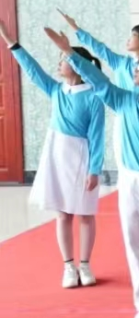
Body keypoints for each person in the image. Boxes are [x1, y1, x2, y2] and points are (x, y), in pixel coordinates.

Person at [44, 27, 139, 318]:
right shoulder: (124, 100)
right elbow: (98, 80)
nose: (135, 69)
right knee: (136, 243)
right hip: (132, 182)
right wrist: (70, 53)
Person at [1, 23, 105, 288]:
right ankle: (69, 266)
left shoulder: (94, 98)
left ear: (78, 65)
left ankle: (85, 264)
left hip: (81, 158)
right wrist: (11, 41)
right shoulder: (57, 91)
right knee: (63, 214)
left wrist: (94, 169)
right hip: (57, 157)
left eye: (63, 60)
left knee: (85, 214)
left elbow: (97, 137)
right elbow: (33, 70)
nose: (59, 65)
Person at [58, 10, 139, 160]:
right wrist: (75, 28)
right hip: (124, 114)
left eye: (133, 35)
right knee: (123, 156)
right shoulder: (120, 63)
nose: (128, 39)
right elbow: (99, 48)